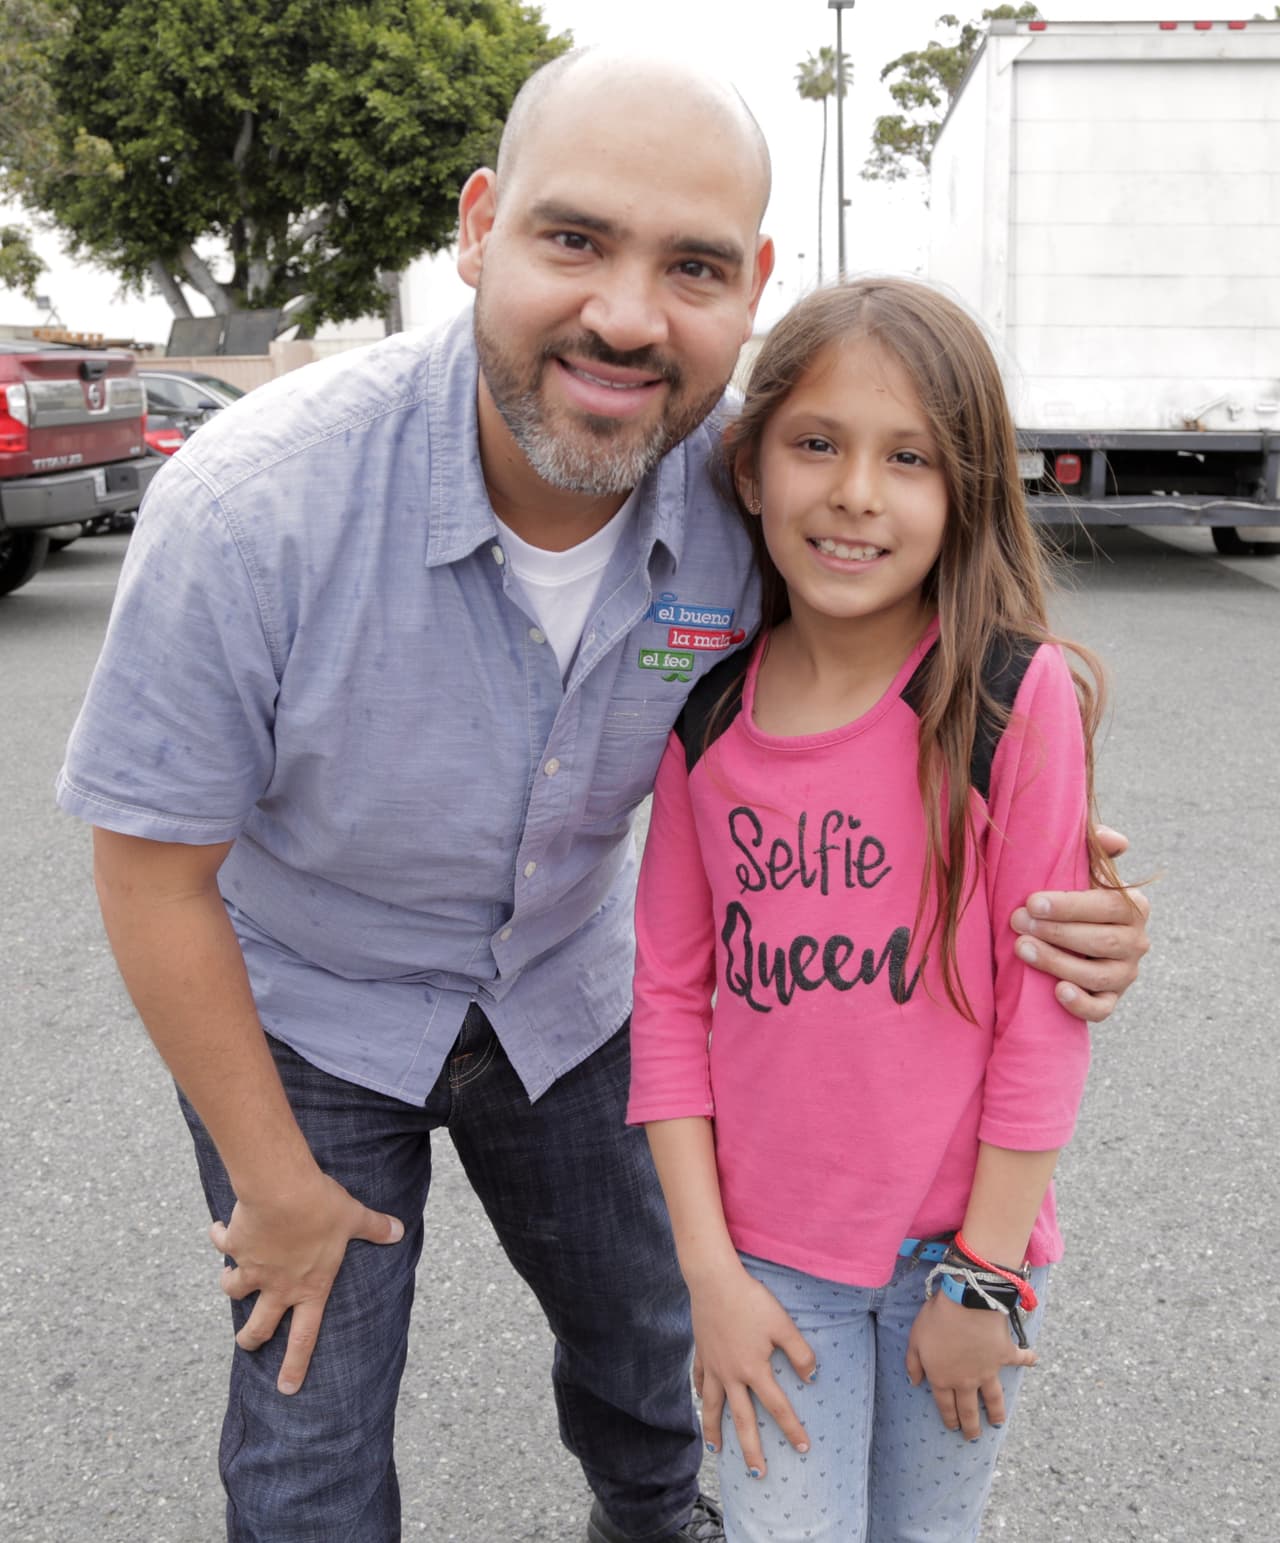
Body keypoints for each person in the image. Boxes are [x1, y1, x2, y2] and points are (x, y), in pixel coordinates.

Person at [55, 50, 1149, 1543]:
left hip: (566, 992)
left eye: (691, 266)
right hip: (311, 1007)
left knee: (648, 1353)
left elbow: (897, 702)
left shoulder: (757, 487)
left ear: (751, 284)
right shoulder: (254, 509)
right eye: (573, 238)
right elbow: (150, 871)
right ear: (479, 227)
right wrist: (271, 1176)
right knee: (307, 1430)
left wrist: (1062, 897)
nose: (627, 316)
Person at [627, 276, 1135, 1543]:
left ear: (963, 489)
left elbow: (1041, 1014)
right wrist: (707, 1276)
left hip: (958, 1258)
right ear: (749, 471)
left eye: (908, 457)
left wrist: (985, 1274)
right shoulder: (705, 720)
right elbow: (666, 1001)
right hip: (763, 1265)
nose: (855, 492)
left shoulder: (1012, 698)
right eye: (816, 443)